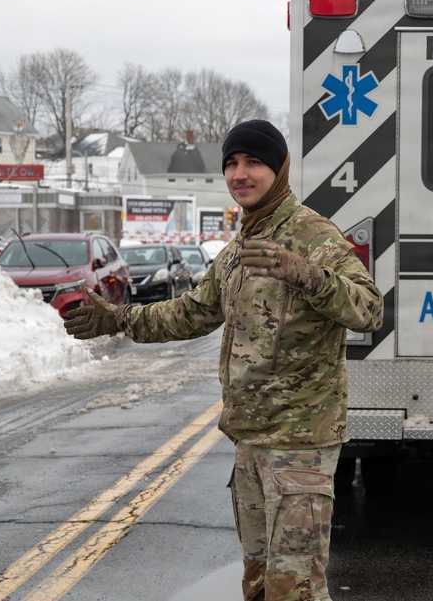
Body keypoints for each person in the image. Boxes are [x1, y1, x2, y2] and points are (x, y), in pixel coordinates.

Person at [63, 119, 384, 601]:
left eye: (253, 162)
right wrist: (119, 319)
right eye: (232, 163)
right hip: (251, 445)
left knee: (293, 590)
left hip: (299, 446)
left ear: (279, 169)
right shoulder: (238, 250)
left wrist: (304, 273)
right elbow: (192, 313)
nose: (240, 173)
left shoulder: (311, 234)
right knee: (258, 584)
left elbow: (370, 309)